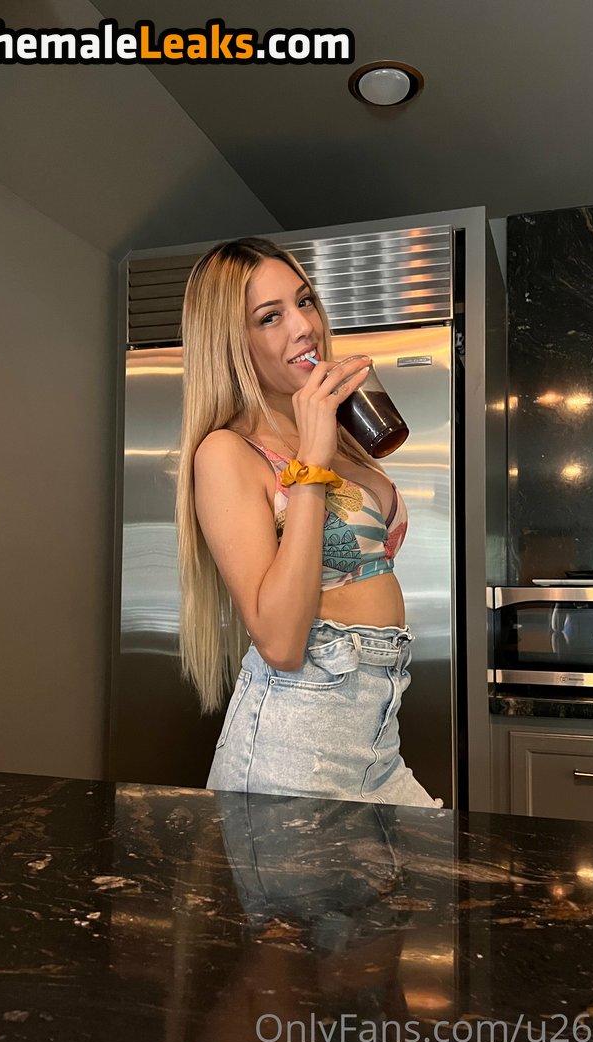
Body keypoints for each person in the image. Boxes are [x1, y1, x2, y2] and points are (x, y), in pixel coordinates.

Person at [176, 237, 440, 808]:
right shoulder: (228, 453)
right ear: (233, 343)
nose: (304, 327)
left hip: (378, 738)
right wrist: (312, 465)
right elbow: (279, 642)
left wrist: (325, 443)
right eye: (270, 317)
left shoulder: (336, 435)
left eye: (304, 302)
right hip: (294, 744)